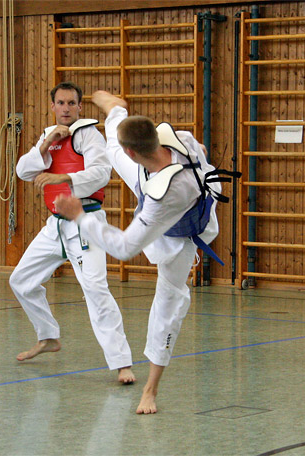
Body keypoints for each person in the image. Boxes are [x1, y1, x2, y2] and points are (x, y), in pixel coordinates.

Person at [55, 90, 229, 414]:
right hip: (167, 173)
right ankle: (116, 110)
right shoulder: (182, 139)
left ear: (133, 153)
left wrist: (78, 215)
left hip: (183, 236)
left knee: (168, 304)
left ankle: (150, 390)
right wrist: (202, 155)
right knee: (111, 148)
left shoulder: (163, 198)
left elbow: (124, 247)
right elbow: (199, 150)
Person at [10, 82, 135, 384]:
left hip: (86, 222)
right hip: (55, 224)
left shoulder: (89, 135)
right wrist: (43, 146)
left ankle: (122, 363)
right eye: (60, 103)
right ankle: (48, 337)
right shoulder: (49, 136)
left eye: (71, 103)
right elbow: (23, 172)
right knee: (21, 281)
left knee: (95, 289)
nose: (66, 108)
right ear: (52, 106)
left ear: (80, 107)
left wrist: (62, 175)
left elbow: (101, 173)